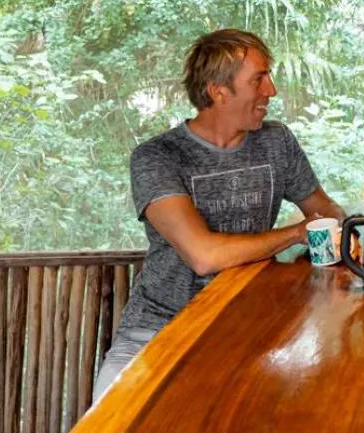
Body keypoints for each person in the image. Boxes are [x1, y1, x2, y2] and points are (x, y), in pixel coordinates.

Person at [95, 28, 346, 396]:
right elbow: (204, 255)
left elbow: (325, 211)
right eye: (259, 79)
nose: (271, 91)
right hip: (157, 331)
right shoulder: (157, 158)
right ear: (218, 90)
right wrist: (295, 234)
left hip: (248, 331)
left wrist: (323, 237)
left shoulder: (276, 142)